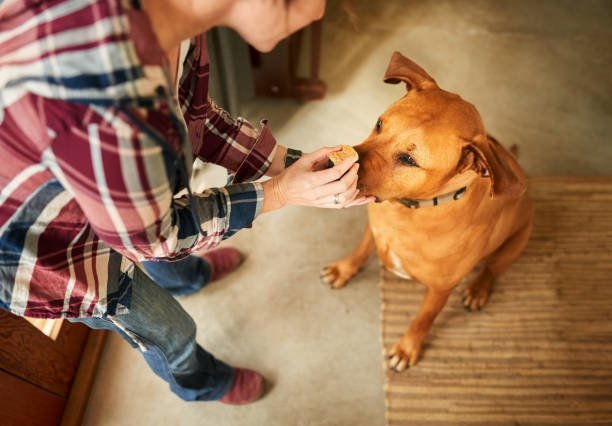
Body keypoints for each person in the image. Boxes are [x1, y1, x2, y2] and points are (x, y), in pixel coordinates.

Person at [0, 0, 372, 405]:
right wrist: (280, 192)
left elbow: (197, 117)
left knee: (163, 232)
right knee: (169, 332)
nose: (317, 14)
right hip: (54, 253)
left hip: (122, 209)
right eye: (299, 2)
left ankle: (186, 276)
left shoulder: (171, 16)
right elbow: (157, 238)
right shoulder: (101, 107)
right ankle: (203, 383)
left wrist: (286, 161)